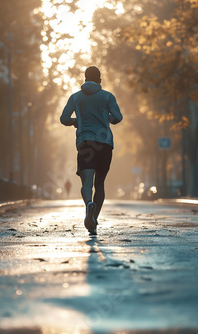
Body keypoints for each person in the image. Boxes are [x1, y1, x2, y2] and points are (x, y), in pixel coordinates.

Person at [60, 66, 123, 235]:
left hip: (85, 143)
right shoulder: (108, 96)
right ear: (100, 80)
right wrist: (106, 119)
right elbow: (118, 117)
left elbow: (63, 118)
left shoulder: (75, 97)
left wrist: (76, 122)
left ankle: (88, 204)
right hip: (104, 143)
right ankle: (93, 220)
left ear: (85, 79)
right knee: (100, 184)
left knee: (86, 184)